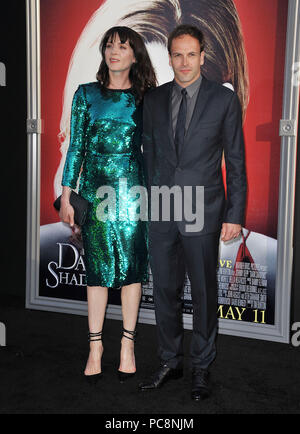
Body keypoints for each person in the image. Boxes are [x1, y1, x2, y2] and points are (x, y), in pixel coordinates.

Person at [139, 24, 247, 400]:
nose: (184, 62)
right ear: (169, 58)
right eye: (177, 55)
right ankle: (170, 360)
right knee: (166, 291)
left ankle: (201, 366)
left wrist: (234, 213)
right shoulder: (151, 101)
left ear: (202, 57)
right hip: (162, 211)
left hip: (204, 211)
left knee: (203, 293)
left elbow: (235, 161)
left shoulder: (223, 100)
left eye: (191, 54)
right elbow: (147, 157)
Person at [59, 26, 157, 383]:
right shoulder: (85, 94)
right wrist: (67, 194)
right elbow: (76, 148)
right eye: (110, 45)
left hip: (133, 192)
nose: (114, 51)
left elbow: (159, 149)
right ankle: (95, 347)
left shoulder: (148, 98)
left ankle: (128, 346)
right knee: (97, 272)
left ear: (135, 56)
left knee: (133, 270)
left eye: (123, 46)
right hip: (94, 189)